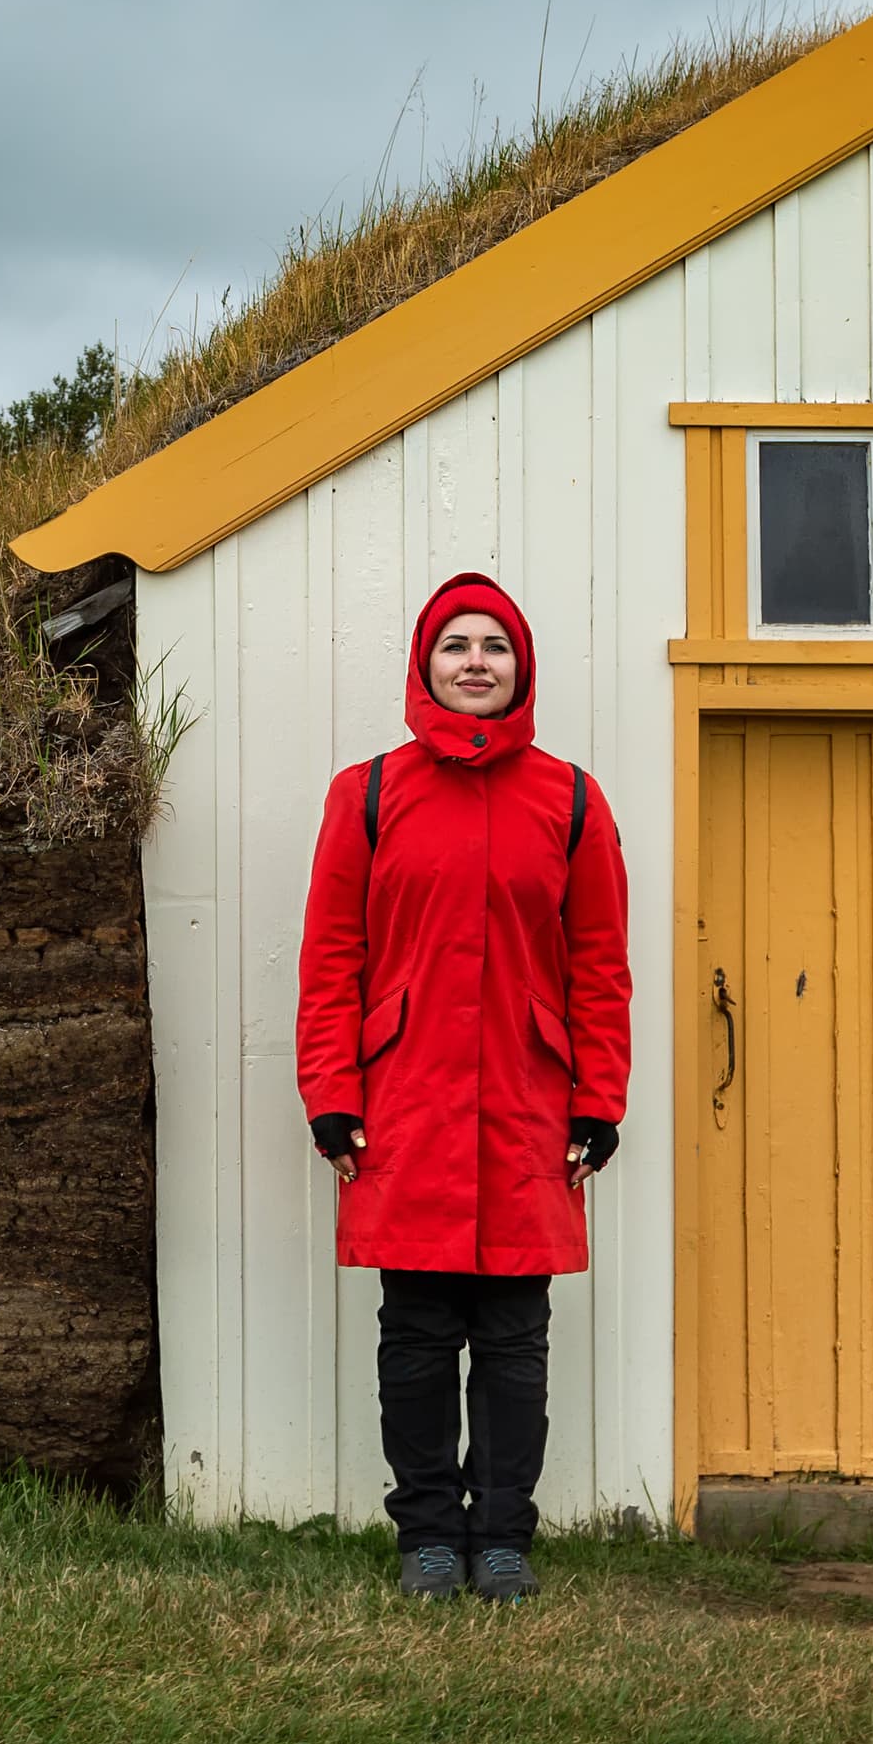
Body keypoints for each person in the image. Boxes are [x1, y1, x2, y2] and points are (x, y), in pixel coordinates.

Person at [295, 570, 631, 1604]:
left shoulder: (570, 799)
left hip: (527, 1110)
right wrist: (332, 1094)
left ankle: (506, 1539)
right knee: (419, 1334)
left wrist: (598, 1099)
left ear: (520, 668)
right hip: (408, 1109)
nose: (476, 661)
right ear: (426, 665)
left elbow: (600, 963)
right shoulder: (367, 794)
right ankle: (429, 1535)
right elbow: (332, 957)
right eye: (457, 645)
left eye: (494, 645)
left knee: (516, 1341)